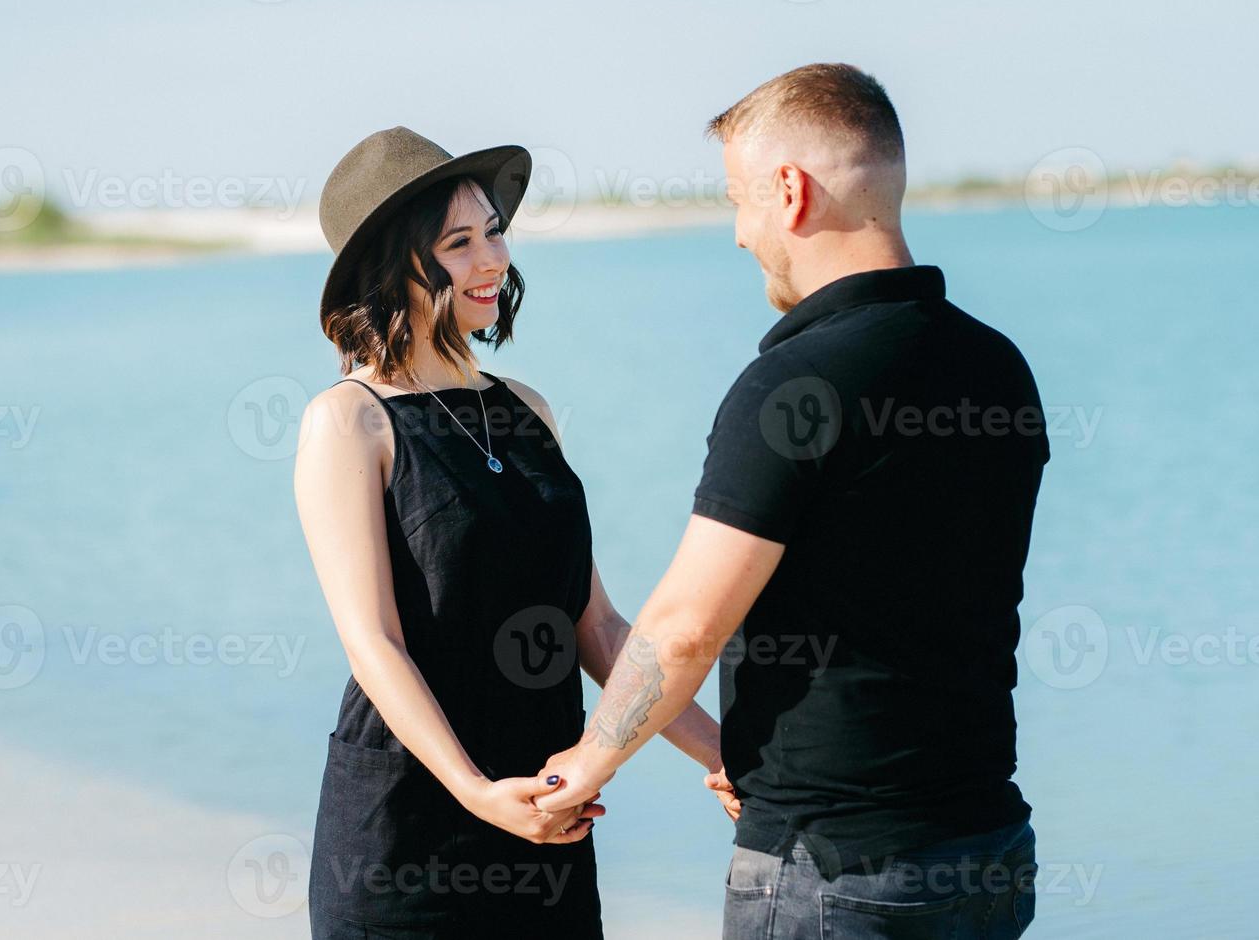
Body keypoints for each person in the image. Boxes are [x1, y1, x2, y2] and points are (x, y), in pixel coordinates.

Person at [534, 65, 1048, 939]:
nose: (738, 235)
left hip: (836, 867)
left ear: (789, 191)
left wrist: (584, 766)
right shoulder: (997, 367)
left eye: (739, 201)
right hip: (987, 849)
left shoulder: (794, 385)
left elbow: (689, 622)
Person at [293, 126, 728, 939]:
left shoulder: (527, 409)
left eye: (494, 231)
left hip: (543, 813)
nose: (491, 259)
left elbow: (594, 625)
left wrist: (718, 751)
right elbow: (374, 644)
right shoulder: (348, 422)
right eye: (458, 243)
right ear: (392, 266)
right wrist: (472, 790)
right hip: (407, 829)